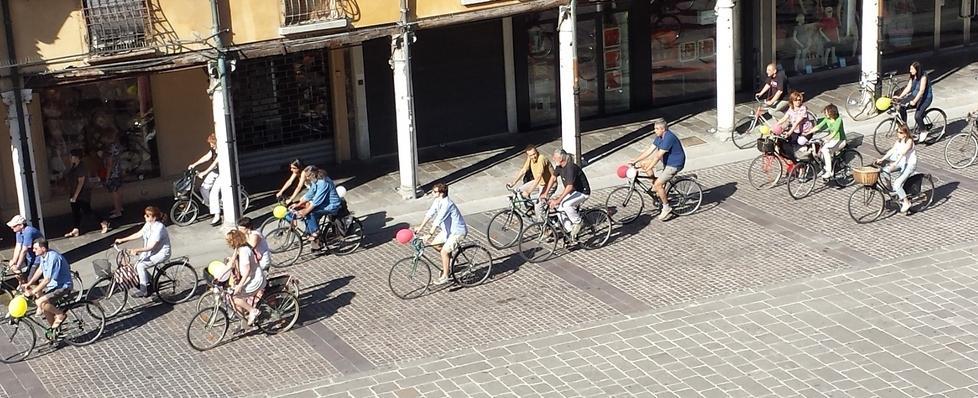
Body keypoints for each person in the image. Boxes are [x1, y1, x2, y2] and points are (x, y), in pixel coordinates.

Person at [630, 120, 686, 220]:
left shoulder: (669, 138)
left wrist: (649, 167)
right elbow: (649, 150)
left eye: (656, 129)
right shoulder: (659, 137)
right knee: (643, 164)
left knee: (658, 184)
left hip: (674, 164)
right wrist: (635, 160)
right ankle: (656, 188)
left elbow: (657, 156)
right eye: (654, 128)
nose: (654, 130)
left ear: (663, 129)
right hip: (666, 160)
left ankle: (666, 207)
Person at [113, 206, 171, 297]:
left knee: (141, 266)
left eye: (147, 215)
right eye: (145, 214)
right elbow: (138, 234)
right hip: (151, 251)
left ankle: (144, 291)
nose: (145, 216)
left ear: (154, 218)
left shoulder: (159, 228)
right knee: (136, 264)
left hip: (161, 253)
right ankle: (151, 284)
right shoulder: (149, 224)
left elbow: (151, 247)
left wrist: (137, 250)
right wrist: (122, 240)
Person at [416, 183, 467, 286]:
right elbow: (430, 214)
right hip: (447, 231)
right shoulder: (437, 201)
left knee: (444, 252)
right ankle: (452, 260)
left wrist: (429, 234)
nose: (432, 193)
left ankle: (445, 276)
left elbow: (438, 220)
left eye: (435, 192)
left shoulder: (447, 204)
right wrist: (420, 228)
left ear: (442, 193)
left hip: (457, 232)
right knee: (435, 244)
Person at [21, 239, 72, 329]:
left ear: (43, 248)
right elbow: (40, 270)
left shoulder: (53, 258)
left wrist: (33, 292)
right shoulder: (43, 256)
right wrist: (29, 283)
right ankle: (54, 331)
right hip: (54, 286)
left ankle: (60, 314)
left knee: (40, 301)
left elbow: (47, 280)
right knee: (44, 307)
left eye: (35, 248)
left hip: (63, 286)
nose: (33, 250)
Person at [541, 149, 590, 239]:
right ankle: (570, 231)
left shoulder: (570, 168)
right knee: (559, 208)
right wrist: (545, 193)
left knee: (566, 205)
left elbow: (569, 187)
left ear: (561, 158)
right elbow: (553, 178)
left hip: (582, 192)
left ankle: (578, 222)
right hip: (572, 192)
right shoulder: (560, 166)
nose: (553, 158)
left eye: (555, 157)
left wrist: (558, 200)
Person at [286, 166, 341, 241]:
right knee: (306, 212)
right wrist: (298, 204)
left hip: (331, 205)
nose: (307, 178)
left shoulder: (323, 182)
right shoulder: (315, 181)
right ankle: (310, 232)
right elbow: (310, 194)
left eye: (308, 176)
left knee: (310, 213)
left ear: (313, 174)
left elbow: (317, 200)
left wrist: (306, 211)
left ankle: (316, 232)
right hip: (323, 203)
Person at [65, 149, 109, 237]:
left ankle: (103, 222)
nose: (70, 158)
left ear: (77, 157)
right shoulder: (74, 166)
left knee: (87, 210)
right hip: (73, 192)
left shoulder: (81, 167)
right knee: (75, 211)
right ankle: (76, 229)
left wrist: (75, 196)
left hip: (82, 193)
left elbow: (81, 182)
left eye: (72, 156)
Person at [225, 229, 265, 326]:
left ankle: (253, 311)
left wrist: (239, 285)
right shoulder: (238, 248)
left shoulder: (244, 251)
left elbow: (247, 271)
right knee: (232, 296)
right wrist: (220, 276)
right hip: (249, 278)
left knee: (235, 297)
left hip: (255, 279)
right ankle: (243, 323)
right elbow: (231, 263)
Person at [876, 125, 917, 213]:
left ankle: (906, 202)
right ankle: (888, 186)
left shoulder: (909, 141)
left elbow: (903, 153)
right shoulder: (899, 141)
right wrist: (882, 159)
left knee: (897, 184)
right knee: (885, 170)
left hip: (909, 164)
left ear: (906, 134)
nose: (898, 134)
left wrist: (895, 163)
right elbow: (892, 150)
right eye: (897, 132)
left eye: (900, 132)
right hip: (902, 163)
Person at [507, 145, 555, 220]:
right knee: (519, 191)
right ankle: (531, 208)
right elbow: (523, 170)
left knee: (538, 207)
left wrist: (529, 191)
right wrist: (513, 182)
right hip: (538, 183)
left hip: (549, 185)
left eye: (534, 154)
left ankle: (545, 228)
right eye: (531, 155)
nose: (533, 157)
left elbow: (539, 176)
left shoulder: (541, 159)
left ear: (537, 152)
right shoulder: (530, 158)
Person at [894, 61, 934, 143]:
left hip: (925, 98)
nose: (910, 71)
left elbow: (921, 91)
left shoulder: (923, 77)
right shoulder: (913, 76)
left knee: (917, 116)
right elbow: (908, 88)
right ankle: (905, 127)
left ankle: (924, 131)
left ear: (917, 69)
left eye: (912, 69)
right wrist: (900, 97)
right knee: (902, 106)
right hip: (914, 95)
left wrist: (914, 101)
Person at [187, 133, 221, 226]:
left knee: (214, 193)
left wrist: (204, 173)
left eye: (212, 143)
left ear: (217, 142)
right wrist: (194, 164)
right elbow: (206, 158)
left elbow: (214, 164)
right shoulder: (213, 150)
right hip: (216, 172)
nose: (211, 145)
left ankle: (217, 216)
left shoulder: (222, 151)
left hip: (224, 173)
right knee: (203, 188)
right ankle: (212, 205)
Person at [776, 91, 815, 160]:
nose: (798, 102)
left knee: (800, 141)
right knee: (784, 141)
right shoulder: (791, 108)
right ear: (792, 101)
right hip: (796, 130)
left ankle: (807, 150)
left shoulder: (803, 108)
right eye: (796, 100)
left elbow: (797, 122)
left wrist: (789, 132)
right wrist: (775, 126)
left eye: (799, 100)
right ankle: (792, 156)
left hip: (806, 131)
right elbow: (784, 118)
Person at [811, 104, 847, 179]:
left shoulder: (838, 120)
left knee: (825, 150)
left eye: (827, 112)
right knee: (821, 152)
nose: (825, 114)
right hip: (832, 141)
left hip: (840, 140)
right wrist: (808, 132)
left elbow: (835, 132)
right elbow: (818, 126)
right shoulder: (827, 119)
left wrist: (827, 138)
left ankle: (829, 171)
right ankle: (829, 165)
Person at [6, 215, 42, 285]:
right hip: (30, 257)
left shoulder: (28, 232)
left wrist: (18, 265)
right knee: (23, 274)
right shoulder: (18, 232)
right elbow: (18, 247)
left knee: (31, 279)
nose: (11, 228)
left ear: (21, 225)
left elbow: (24, 250)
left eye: (14, 226)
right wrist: (14, 261)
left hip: (38, 257)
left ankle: (36, 292)